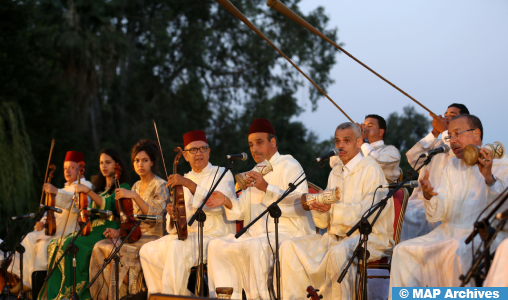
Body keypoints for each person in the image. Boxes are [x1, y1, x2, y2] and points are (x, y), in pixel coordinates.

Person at [389, 115, 508, 294]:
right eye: (450, 135)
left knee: (457, 250)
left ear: (476, 133)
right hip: (447, 231)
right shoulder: (452, 165)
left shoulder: (501, 163)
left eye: (457, 134)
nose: (452, 141)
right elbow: (440, 212)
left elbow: (503, 211)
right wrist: (430, 196)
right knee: (402, 251)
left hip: (482, 235)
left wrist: (489, 178)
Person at [279, 122, 394, 299]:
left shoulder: (371, 168)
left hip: (369, 237)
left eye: (346, 140)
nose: (340, 145)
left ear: (358, 142)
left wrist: (332, 209)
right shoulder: (335, 172)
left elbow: (368, 214)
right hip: (335, 238)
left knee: (338, 253)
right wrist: (320, 208)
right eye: (337, 141)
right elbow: (325, 222)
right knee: (289, 246)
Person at [207, 118, 314, 300]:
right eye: (251, 145)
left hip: (288, 232)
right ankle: (227, 297)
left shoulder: (291, 165)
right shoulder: (254, 171)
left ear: (273, 142)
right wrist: (225, 200)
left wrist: (266, 187)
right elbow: (241, 210)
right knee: (216, 245)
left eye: (259, 142)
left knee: (258, 247)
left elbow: (299, 204)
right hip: (257, 235)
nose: (254, 149)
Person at [139, 130, 236, 296]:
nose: (198, 153)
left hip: (215, 236)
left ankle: (173, 298)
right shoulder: (183, 179)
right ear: (185, 155)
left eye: (202, 149)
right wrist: (173, 214)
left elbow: (217, 204)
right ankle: (162, 296)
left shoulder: (223, 173)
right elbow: (176, 226)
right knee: (147, 250)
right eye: (193, 150)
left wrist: (189, 184)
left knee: (176, 247)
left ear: (209, 151)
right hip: (187, 236)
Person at [38, 149, 128, 300]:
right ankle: (56, 294)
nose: (104, 166)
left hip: (107, 228)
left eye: (108, 162)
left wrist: (87, 191)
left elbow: (110, 205)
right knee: (56, 244)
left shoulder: (123, 184)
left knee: (71, 244)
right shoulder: (99, 187)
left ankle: (75, 293)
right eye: (101, 163)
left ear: (117, 165)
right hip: (92, 226)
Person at [89, 140, 168, 299]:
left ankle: (131, 295)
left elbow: (157, 216)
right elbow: (130, 219)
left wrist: (135, 196)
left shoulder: (161, 185)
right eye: (137, 161)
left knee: (117, 251)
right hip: (134, 234)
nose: (141, 164)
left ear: (151, 162)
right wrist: (118, 231)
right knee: (99, 247)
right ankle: (104, 296)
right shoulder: (136, 185)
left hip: (154, 237)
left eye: (145, 160)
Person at [9, 151, 92, 291]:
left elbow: (75, 205)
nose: (67, 170)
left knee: (42, 246)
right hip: (54, 230)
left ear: (80, 169)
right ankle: (25, 280)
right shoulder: (64, 188)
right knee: (29, 238)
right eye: (65, 168)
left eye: (72, 167)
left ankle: (39, 287)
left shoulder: (86, 185)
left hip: (68, 232)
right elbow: (53, 211)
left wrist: (55, 192)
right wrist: (42, 221)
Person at [400, 103, 470, 241]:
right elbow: (412, 157)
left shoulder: (466, 146)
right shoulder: (437, 144)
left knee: (405, 216)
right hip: (417, 200)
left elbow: (457, 158)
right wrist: (434, 133)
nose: (447, 118)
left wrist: (444, 131)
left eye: (452, 115)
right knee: (393, 210)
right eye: (445, 116)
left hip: (440, 201)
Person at [330, 114, 400, 182]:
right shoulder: (357, 150)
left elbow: (376, 163)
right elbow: (334, 163)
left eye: (370, 126)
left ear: (380, 132)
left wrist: (364, 141)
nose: (365, 128)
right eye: (364, 125)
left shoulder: (391, 151)